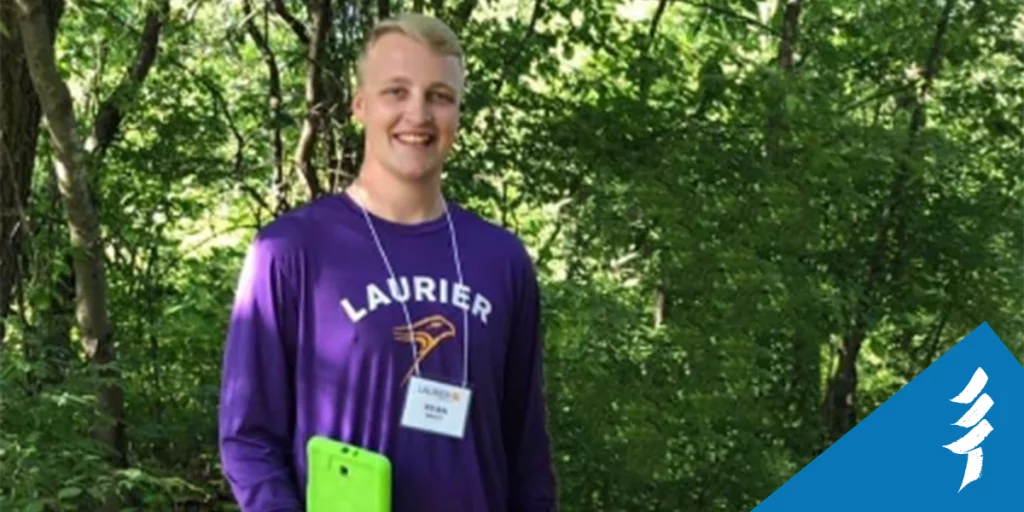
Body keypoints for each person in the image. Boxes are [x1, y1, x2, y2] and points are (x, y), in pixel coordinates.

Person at [217, 12, 557, 512]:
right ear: (360, 106)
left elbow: (526, 449)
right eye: (396, 91)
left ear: (457, 113)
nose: (417, 114)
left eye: (439, 96)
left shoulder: (501, 259)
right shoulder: (290, 251)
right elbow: (248, 439)